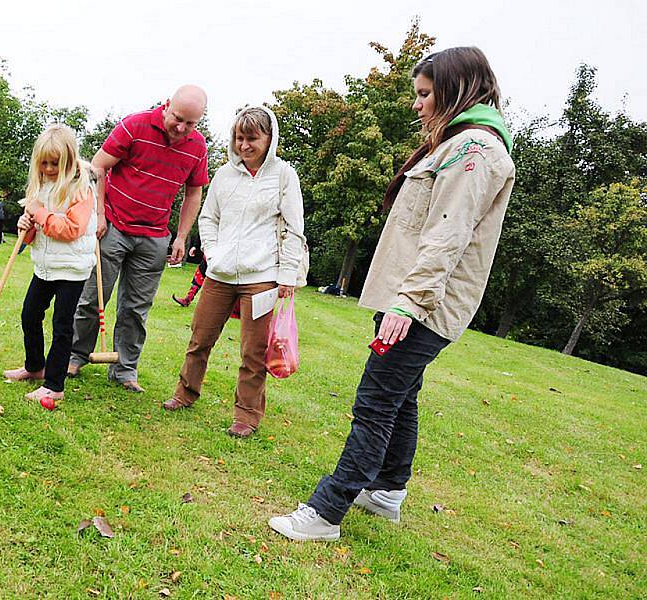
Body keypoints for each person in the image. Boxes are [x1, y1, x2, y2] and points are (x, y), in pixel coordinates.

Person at [268, 47, 515, 540]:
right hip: (410, 298)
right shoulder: (457, 144)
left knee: (376, 402)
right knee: (402, 397)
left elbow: (448, 232)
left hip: (423, 303)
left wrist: (410, 302)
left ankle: (326, 512)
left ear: (455, 88)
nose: (417, 104)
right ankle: (387, 490)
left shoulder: (476, 150)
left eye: (425, 94)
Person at [162, 106, 305, 438]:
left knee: (253, 353)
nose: (244, 145)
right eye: (239, 138)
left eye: (252, 139)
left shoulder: (284, 176)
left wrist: (286, 275)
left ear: (270, 139)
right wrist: (213, 252)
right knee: (200, 340)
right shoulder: (225, 175)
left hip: (262, 277)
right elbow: (208, 217)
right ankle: (184, 394)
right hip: (220, 275)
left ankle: (246, 416)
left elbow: (294, 228)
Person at [68, 85, 209, 393]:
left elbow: (194, 191)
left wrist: (182, 236)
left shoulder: (197, 147)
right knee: (93, 297)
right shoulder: (135, 126)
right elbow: (98, 166)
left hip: (155, 236)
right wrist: (100, 215)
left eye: (192, 124)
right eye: (178, 118)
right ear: (167, 105)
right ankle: (75, 355)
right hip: (114, 226)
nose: (182, 128)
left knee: (136, 308)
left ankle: (125, 369)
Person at [2, 124, 97, 405]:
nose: (48, 168)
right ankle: (35, 367)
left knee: (62, 324)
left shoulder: (80, 189)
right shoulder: (40, 185)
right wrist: (26, 226)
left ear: (68, 159)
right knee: (29, 314)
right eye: (43, 163)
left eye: (55, 163)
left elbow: (70, 230)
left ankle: (54, 385)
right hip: (44, 266)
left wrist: (39, 213)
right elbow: (37, 229)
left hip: (72, 268)